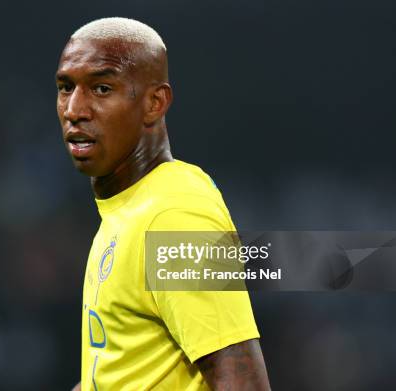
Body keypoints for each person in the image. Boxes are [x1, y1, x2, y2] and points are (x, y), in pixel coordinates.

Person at [56, 17, 270, 390]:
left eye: (102, 89)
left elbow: (242, 383)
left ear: (155, 103)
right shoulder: (128, 209)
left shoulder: (174, 215)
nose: (75, 109)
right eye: (65, 87)